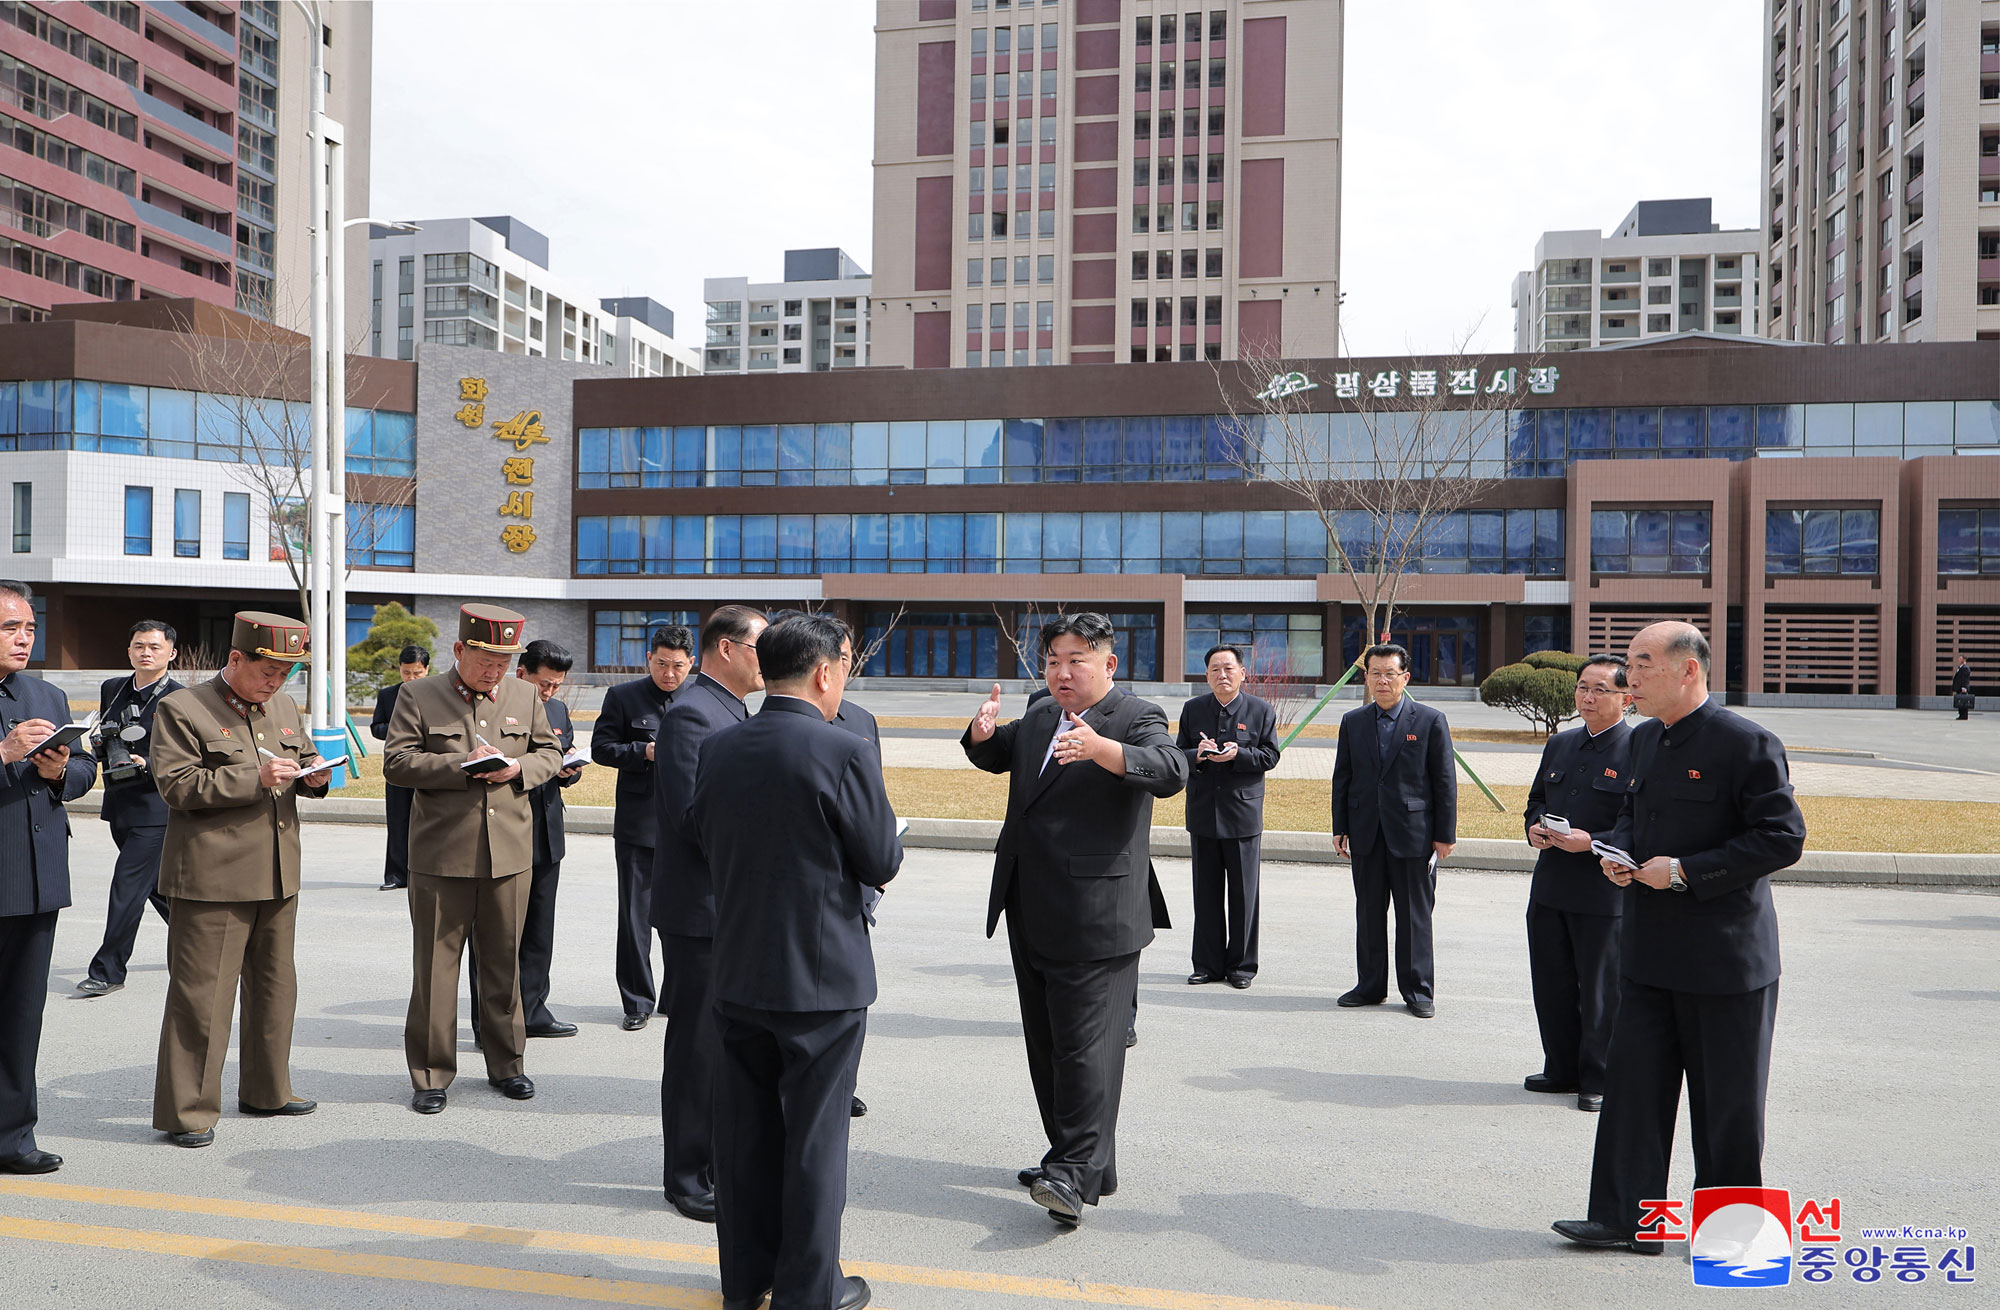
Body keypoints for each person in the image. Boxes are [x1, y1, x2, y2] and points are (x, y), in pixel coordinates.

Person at [1555, 622, 1807, 1255]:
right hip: (1647, 950)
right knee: (1633, 1093)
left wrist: (1690, 872)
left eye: (1642, 665)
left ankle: (1732, 1234)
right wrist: (1620, 854)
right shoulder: (1643, 742)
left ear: (1687, 670)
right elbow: (1631, 819)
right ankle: (1623, 1218)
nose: (1629, 677)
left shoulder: (1745, 743)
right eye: (1630, 665)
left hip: (1724, 959)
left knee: (1728, 1107)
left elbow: (1782, 837)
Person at [689, 612, 900, 1310]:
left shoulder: (719, 747)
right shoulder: (842, 750)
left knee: (745, 1141)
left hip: (740, 968)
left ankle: (746, 1283)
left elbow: (699, 841)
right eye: (843, 666)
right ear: (823, 671)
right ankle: (810, 1293)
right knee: (814, 1146)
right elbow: (880, 859)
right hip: (822, 979)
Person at [962, 612, 1186, 1228]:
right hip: (1029, 906)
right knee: (1048, 1046)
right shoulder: (1038, 713)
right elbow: (1000, 755)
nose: (1063, 672)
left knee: (1087, 1049)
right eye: (1054, 660)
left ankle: (1070, 1172)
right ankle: (1083, 1159)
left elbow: (1170, 771)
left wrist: (1103, 750)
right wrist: (981, 735)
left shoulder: (1134, 716)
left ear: (1108, 664)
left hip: (1097, 913)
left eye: (1077, 660)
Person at [149, 611, 327, 1148]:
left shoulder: (285, 706)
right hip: (213, 877)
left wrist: (314, 773)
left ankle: (268, 1089)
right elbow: (177, 785)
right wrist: (254, 778)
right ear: (235, 659)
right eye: (268, 670)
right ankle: (188, 1110)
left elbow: (301, 756)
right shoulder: (183, 708)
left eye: (287, 672)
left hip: (276, 872)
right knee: (202, 998)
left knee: (276, 989)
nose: (277, 682)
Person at [384, 604, 562, 1115]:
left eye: (503, 661)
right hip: (442, 854)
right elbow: (396, 762)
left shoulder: (525, 694)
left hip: (509, 852)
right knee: (437, 968)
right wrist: (460, 765)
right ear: (459, 650)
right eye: (485, 660)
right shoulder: (418, 694)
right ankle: (432, 1073)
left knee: (504, 963)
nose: (494, 671)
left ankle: (508, 1064)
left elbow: (549, 752)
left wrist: (519, 768)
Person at [652, 605, 766, 1222]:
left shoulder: (728, 709)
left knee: (724, 1043)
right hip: (702, 908)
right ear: (726, 649)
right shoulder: (693, 714)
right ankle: (687, 1174)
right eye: (759, 646)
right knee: (697, 1045)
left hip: (730, 904)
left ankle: (717, 1161)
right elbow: (691, 817)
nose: (766, 658)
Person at [0, 580, 97, 1174]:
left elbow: (86, 770)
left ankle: (14, 1138)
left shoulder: (48, 693)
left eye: (29, 627)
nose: (24, 638)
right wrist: (4, 752)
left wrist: (60, 769)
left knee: (22, 1015)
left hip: (37, 880)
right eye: (10, 628)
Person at [1521, 655, 1634, 1113]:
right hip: (1550, 886)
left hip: (1602, 891)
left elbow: (1638, 824)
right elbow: (1535, 799)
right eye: (1583, 688)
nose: (1587, 697)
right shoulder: (1561, 744)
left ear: (1627, 697)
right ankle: (1561, 1067)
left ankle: (1599, 1077)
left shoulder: (1638, 748)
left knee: (1601, 989)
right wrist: (1533, 828)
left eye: (1600, 690)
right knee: (1552, 983)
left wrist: (1594, 843)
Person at [1328, 642, 1458, 1018]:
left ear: (1405, 678)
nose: (1382, 681)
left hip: (1414, 835)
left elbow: (1444, 782)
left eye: (1390, 674)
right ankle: (1370, 985)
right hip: (1366, 831)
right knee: (1368, 912)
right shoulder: (1353, 722)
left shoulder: (1430, 720)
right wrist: (1341, 826)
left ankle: (1418, 990)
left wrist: (1444, 834)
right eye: (1375, 673)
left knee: (1415, 915)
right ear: (1365, 677)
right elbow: (1343, 777)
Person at [470, 640, 584, 1041]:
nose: (550, 693)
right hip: (503, 827)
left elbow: (557, 755)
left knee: (539, 928)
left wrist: (570, 771)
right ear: (521, 674)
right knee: (495, 932)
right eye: (544, 684)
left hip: (546, 828)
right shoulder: (493, 708)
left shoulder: (556, 710)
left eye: (556, 685)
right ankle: (488, 1020)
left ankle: (533, 1009)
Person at [593, 625, 694, 1030]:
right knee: (635, 917)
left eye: (679, 666)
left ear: (692, 664)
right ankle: (636, 1002)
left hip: (688, 827)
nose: (670, 674)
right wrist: (644, 751)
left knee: (685, 917)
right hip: (639, 824)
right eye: (662, 664)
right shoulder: (623, 696)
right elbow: (602, 748)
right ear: (649, 658)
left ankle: (677, 995)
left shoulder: (701, 697)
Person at [77, 620, 183, 996]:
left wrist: (147, 764)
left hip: (157, 810)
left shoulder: (181, 698)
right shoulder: (113, 688)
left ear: (171, 653)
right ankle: (206, 941)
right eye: (139, 645)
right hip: (120, 804)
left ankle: (107, 971)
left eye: (155, 647)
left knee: (127, 885)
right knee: (155, 887)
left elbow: (189, 757)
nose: (146, 652)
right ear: (129, 651)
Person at [1176, 644, 1281, 989]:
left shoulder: (1261, 710)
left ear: (1242, 673)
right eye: (1215, 669)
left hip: (1243, 815)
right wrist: (1199, 755)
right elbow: (1178, 756)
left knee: (1243, 895)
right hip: (1204, 814)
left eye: (1229, 669)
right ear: (1206, 674)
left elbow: (1269, 756)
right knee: (1205, 894)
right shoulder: (1193, 710)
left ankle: (1242, 966)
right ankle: (1206, 964)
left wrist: (1240, 755)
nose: (1222, 675)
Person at [828, 645, 885, 1122]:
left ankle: (844, 1083)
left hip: (856, 881)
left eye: (848, 655)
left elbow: (875, 800)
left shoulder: (862, 719)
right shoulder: (762, 717)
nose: (842, 663)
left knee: (852, 994)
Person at [369, 645, 430, 892]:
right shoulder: (387, 695)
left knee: (429, 820)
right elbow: (376, 727)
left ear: (427, 669)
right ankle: (396, 874)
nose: (411, 679)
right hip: (397, 765)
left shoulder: (438, 694)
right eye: (406, 673)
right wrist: (395, 729)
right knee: (398, 820)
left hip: (428, 766)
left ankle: (426, 872)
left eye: (417, 673)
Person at [1952, 654, 1974, 720]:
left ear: (1963, 660)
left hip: (1963, 688)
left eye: (1960, 658)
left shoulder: (1965, 668)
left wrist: (1964, 687)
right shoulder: (1960, 667)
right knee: (1960, 701)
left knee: (1963, 702)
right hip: (1959, 687)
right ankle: (1961, 714)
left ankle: (1964, 715)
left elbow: (1965, 679)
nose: (1959, 660)